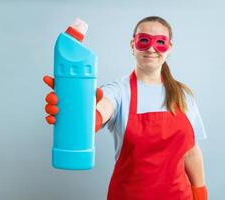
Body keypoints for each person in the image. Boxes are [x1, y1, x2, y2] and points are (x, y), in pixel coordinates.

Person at [44, 16, 208, 200]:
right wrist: (76, 107)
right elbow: (101, 109)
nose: (151, 48)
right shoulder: (119, 92)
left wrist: (200, 193)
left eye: (160, 42)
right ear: (133, 45)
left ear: (169, 48)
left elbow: (191, 152)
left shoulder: (183, 95)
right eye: (144, 40)